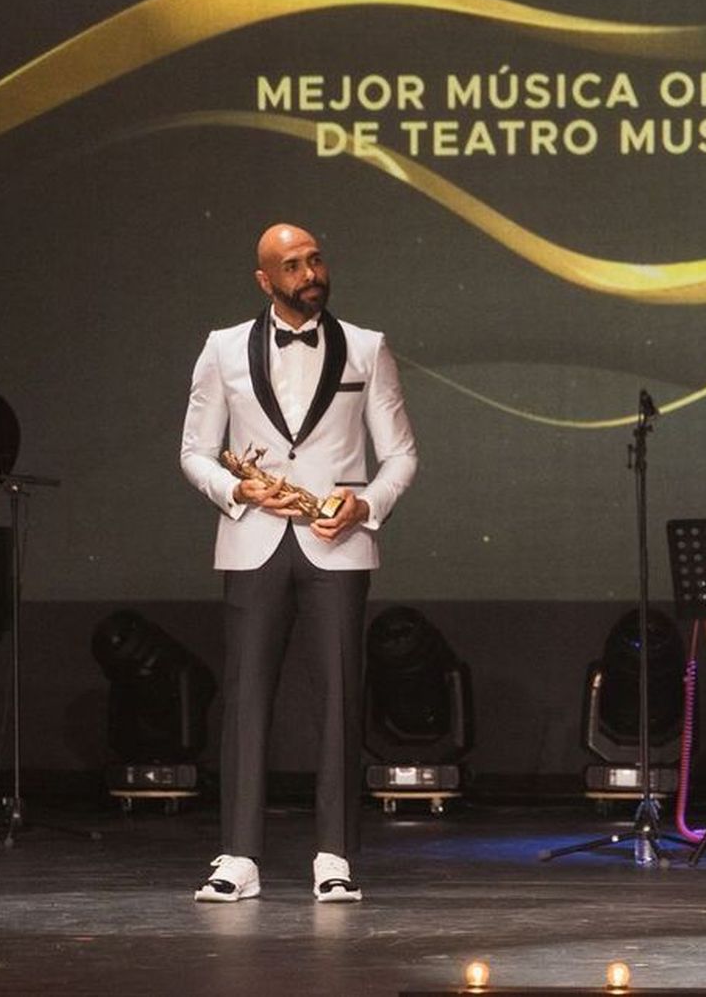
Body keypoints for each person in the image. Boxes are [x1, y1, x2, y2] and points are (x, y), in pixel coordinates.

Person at [180, 223, 418, 903]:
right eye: (292, 265)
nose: (310, 273)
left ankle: (335, 856)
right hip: (253, 538)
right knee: (246, 699)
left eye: (315, 259)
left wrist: (365, 505)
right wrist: (234, 489)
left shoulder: (367, 348)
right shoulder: (222, 349)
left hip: (337, 544)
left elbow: (400, 452)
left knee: (340, 699)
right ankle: (238, 857)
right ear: (265, 279)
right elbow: (195, 449)